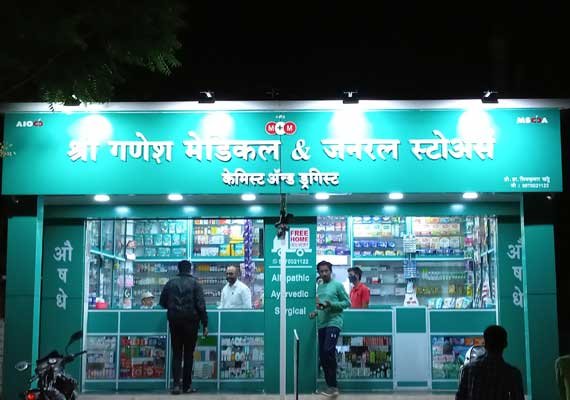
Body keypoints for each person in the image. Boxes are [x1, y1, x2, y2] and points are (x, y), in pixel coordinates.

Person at [159, 260, 208, 395]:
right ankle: (186, 386)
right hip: (191, 322)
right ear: (190, 269)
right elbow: (201, 305)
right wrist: (205, 323)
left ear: (178, 269)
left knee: (176, 353)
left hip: (175, 322)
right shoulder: (195, 283)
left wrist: (172, 307)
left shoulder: (170, 283)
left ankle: (176, 385)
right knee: (188, 354)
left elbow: (162, 302)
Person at [309, 260, 351, 397]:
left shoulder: (337, 285)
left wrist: (331, 304)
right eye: (321, 271)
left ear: (331, 271)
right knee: (323, 355)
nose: (324, 273)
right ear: (318, 273)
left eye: (326, 271)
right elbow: (321, 307)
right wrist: (315, 312)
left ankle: (334, 386)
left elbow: (347, 303)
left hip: (334, 322)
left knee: (328, 350)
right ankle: (330, 387)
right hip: (322, 324)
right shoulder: (319, 288)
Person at [456, 324, 524, 400]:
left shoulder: (468, 370)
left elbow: (460, 397)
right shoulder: (513, 373)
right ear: (505, 344)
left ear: (485, 344)